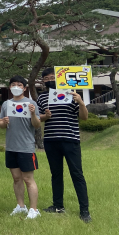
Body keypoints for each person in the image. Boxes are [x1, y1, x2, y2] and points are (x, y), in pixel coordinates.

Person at [37, 68, 91, 223]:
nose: (49, 80)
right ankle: (58, 206)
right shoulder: (42, 97)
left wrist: (80, 102)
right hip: (51, 140)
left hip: (70, 139)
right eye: (46, 79)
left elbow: (84, 117)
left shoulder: (71, 94)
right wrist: (45, 116)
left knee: (77, 174)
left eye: (52, 77)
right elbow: (38, 118)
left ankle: (84, 210)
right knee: (56, 174)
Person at [0, 75, 42, 220]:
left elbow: (37, 124)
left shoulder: (31, 103)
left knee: (28, 179)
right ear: (9, 87)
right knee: (16, 178)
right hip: (11, 146)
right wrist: (4, 122)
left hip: (26, 147)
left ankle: (34, 209)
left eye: (19, 85)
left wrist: (32, 113)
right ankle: (21, 206)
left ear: (24, 88)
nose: (16, 87)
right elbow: (1, 124)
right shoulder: (6, 104)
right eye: (13, 84)